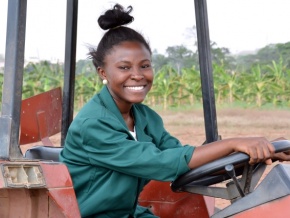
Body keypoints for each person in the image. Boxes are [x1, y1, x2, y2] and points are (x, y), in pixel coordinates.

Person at [59, 3, 290, 218]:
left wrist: (263, 149)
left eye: (145, 65)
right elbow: (161, 162)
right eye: (124, 67)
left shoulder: (145, 117)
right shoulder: (93, 124)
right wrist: (233, 143)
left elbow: (185, 159)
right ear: (103, 73)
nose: (138, 75)